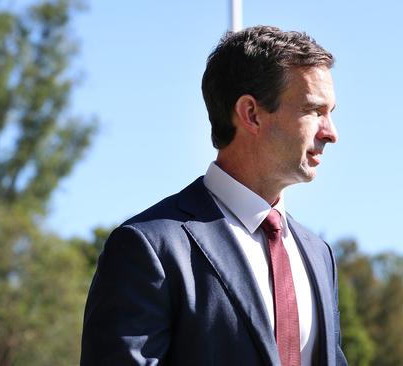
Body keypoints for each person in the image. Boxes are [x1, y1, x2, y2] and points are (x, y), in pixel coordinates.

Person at [81, 25, 348, 366]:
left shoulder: (319, 254)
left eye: (331, 113)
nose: (331, 133)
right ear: (251, 113)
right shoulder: (149, 247)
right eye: (313, 110)